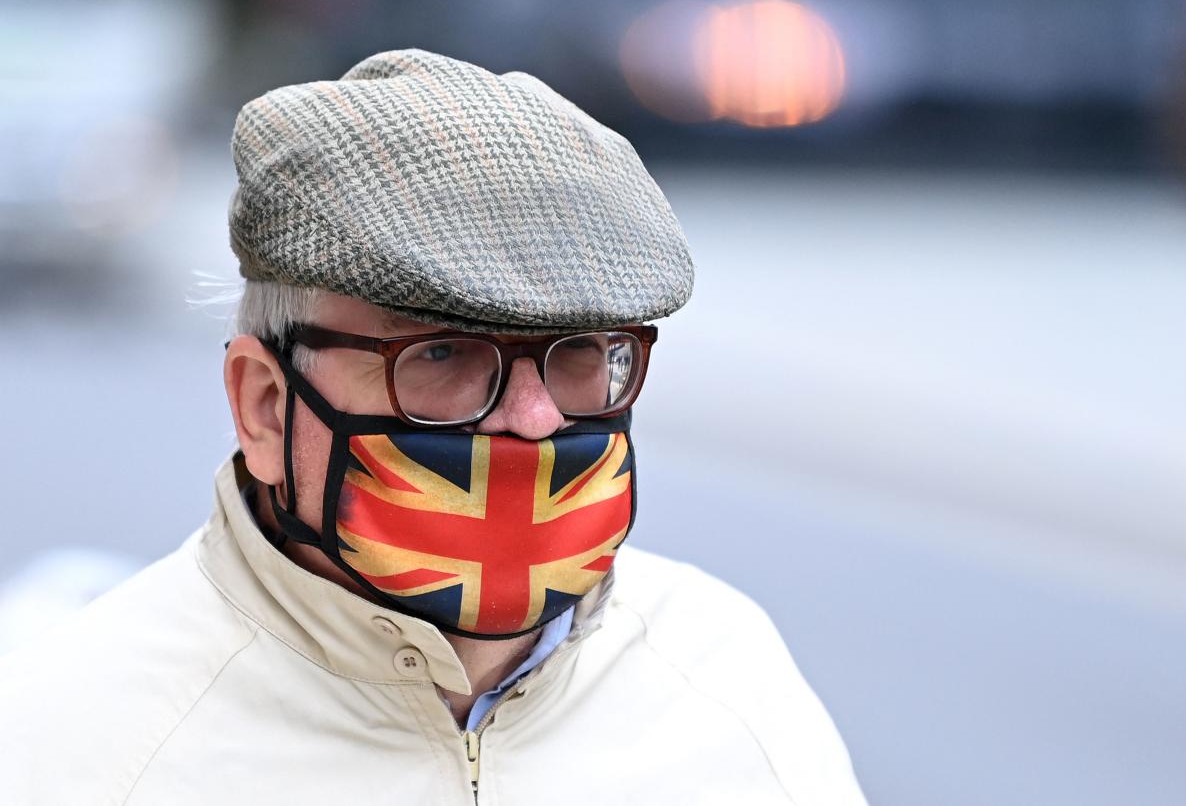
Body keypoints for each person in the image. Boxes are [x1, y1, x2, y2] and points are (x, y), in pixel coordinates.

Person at [0, 48, 866, 805]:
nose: (534, 420)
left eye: (579, 352)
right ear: (265, 404)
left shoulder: (727, 678)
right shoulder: (74, 744)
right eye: (443, 355)